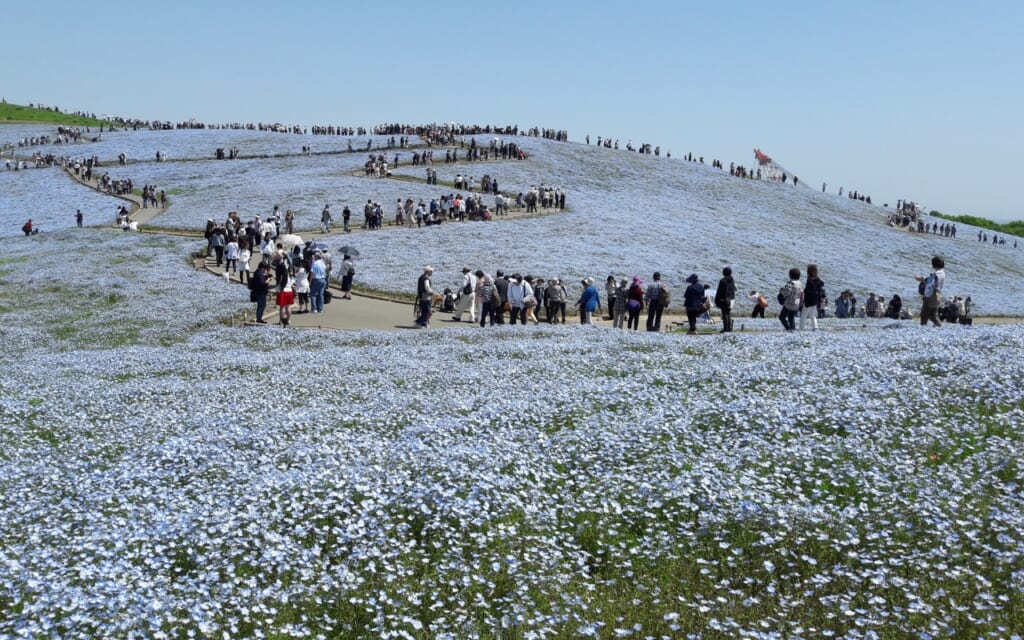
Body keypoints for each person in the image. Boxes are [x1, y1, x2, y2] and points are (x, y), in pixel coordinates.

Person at [914, 255, 946, 327]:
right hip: (938, 294)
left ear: (934, 265)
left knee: (924, 314)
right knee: (933, 315)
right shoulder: (942, 273)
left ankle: (923, 327)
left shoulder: (935, 275)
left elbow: (929, 286)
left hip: (931, 295)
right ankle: (939, 327)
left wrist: (922, 279)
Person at [801, 264, 824, 330]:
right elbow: (821, 284)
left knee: (803, 315)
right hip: (815, 300)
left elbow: (808, 291)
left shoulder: (809, 280)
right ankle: (815, 327)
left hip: (808, 300)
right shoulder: (817, 279)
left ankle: (801, 328)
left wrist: (804, 291)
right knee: (812, 315)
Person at [714, 267, 736, 333]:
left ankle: (726, 329)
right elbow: (733, 289)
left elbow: (720, 290)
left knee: (725, 314)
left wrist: (717, 299)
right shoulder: (732, 280)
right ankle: (728, 328)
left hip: (724, 299)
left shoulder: (723, 280)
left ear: (724, 273)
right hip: (731, 298)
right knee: (728, 313)